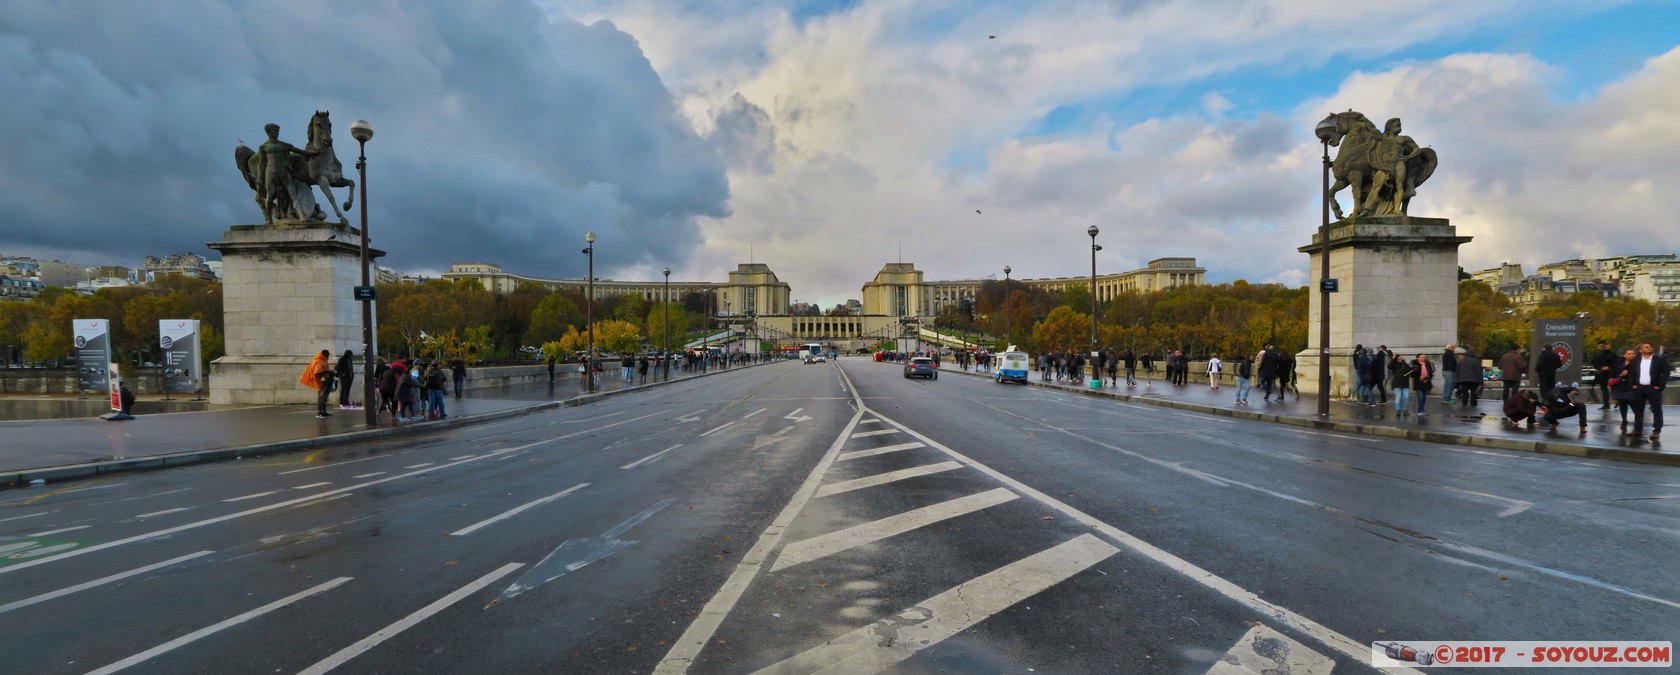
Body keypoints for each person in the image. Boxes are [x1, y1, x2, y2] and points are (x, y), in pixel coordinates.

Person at [1626, 343, 1671, 442]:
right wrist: (1633, 385)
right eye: (1646, 347)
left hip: (1653, 389)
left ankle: (1656, 431)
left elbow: (1666, 372)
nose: (1649, 348)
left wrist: (1659, 386)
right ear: (1641, 350)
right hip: (1639, 389)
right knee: (1638, 410)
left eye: (1650, 346)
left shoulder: (1659, 360)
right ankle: (1637, 429)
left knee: (1656, 410)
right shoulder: (1636, 361)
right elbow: (1631, 373)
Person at [300, 349, 334, 418]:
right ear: (325, 354)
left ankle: (323, 412)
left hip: (325, 381)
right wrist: (328, 372)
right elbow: (317, 372)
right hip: (322, 382)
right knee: (322, 397)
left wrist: (328, 371)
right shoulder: (319, 361)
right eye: (328, 355)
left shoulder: (324, 360)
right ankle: (320, 412)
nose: (329, 356)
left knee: (324, 397)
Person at [1610, 348, 1637, 429]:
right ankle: (1624, 420)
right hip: (1619, 385)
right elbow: (1613, 371)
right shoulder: (1619, 362)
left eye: (1632, 353)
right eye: (1629, 354)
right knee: (1622, 403)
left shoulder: (1637, 363)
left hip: (1631, 386)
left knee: (1633, 403)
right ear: (1624, 355)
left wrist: (1628, 374)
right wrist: (1611, 378)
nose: (1631, 355)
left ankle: (1638, 419)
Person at [1591, 342, 1617, 409]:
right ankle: (1607, 404)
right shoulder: (1597, 354)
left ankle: (1616, 401)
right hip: (1602, 374)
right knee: (1604, 389)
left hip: (1610, 373)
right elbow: (1594, 362)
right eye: (1599, 346)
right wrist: (1599, 367)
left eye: (1602, 346)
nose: (1600, 347)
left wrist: (1609, 367)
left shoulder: (1611, 354)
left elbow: (1616, 363)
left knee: (1612, 388)